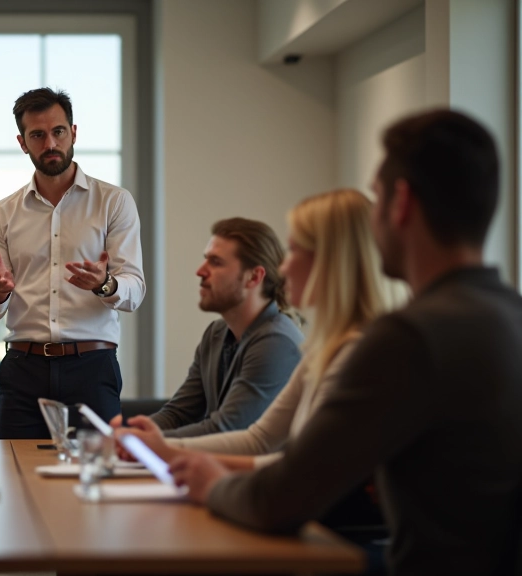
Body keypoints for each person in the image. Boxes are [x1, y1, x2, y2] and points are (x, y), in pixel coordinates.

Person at [170, 110, 522, 576]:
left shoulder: (406, 338)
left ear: (400, 203)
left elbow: (284, 496)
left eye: (375, 200)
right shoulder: (507, 314)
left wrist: (212, 486)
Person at [121, 189, 399, 467]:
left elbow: (301, 466)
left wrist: (158, 449)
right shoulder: (322, 349)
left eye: (296, 250)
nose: (285, 267)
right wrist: (149, 444)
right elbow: (261, 441)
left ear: (333, 262)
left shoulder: (295, 344)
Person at [0, 87, 146, 439]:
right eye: (37, 135)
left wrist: (104, 283)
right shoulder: (3, 213)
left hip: (92, 368)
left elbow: (135, 290)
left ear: (73, 133)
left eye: (58, 131)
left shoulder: (114, 202)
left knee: (97, 479)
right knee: (18, 479)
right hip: (23, 369)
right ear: (23, 143)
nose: (50, 143)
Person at [115, 218, 303, 438]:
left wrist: (141, 441)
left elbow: (227, 430)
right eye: (206, 260)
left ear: (254, 277)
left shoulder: (276, 342)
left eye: (216, 262)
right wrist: (131, 434)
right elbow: (178, 413)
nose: (200, 271)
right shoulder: (216, 333)